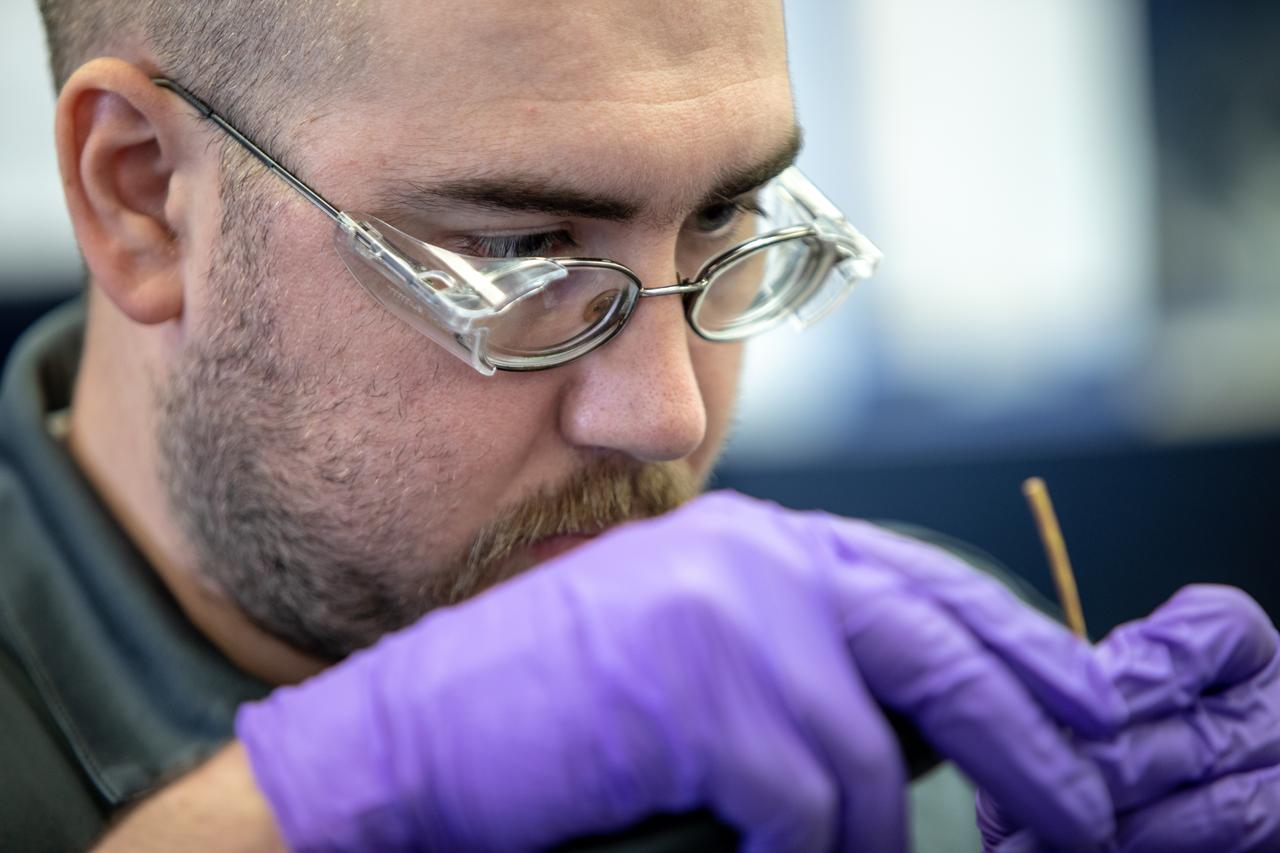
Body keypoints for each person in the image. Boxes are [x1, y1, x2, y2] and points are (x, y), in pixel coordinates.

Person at [2, 0, 1277, 850]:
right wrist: (302, 805)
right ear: (144, 200)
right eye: (516, 253)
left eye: (723, 220)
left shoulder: (893, 696)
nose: (664, 418)